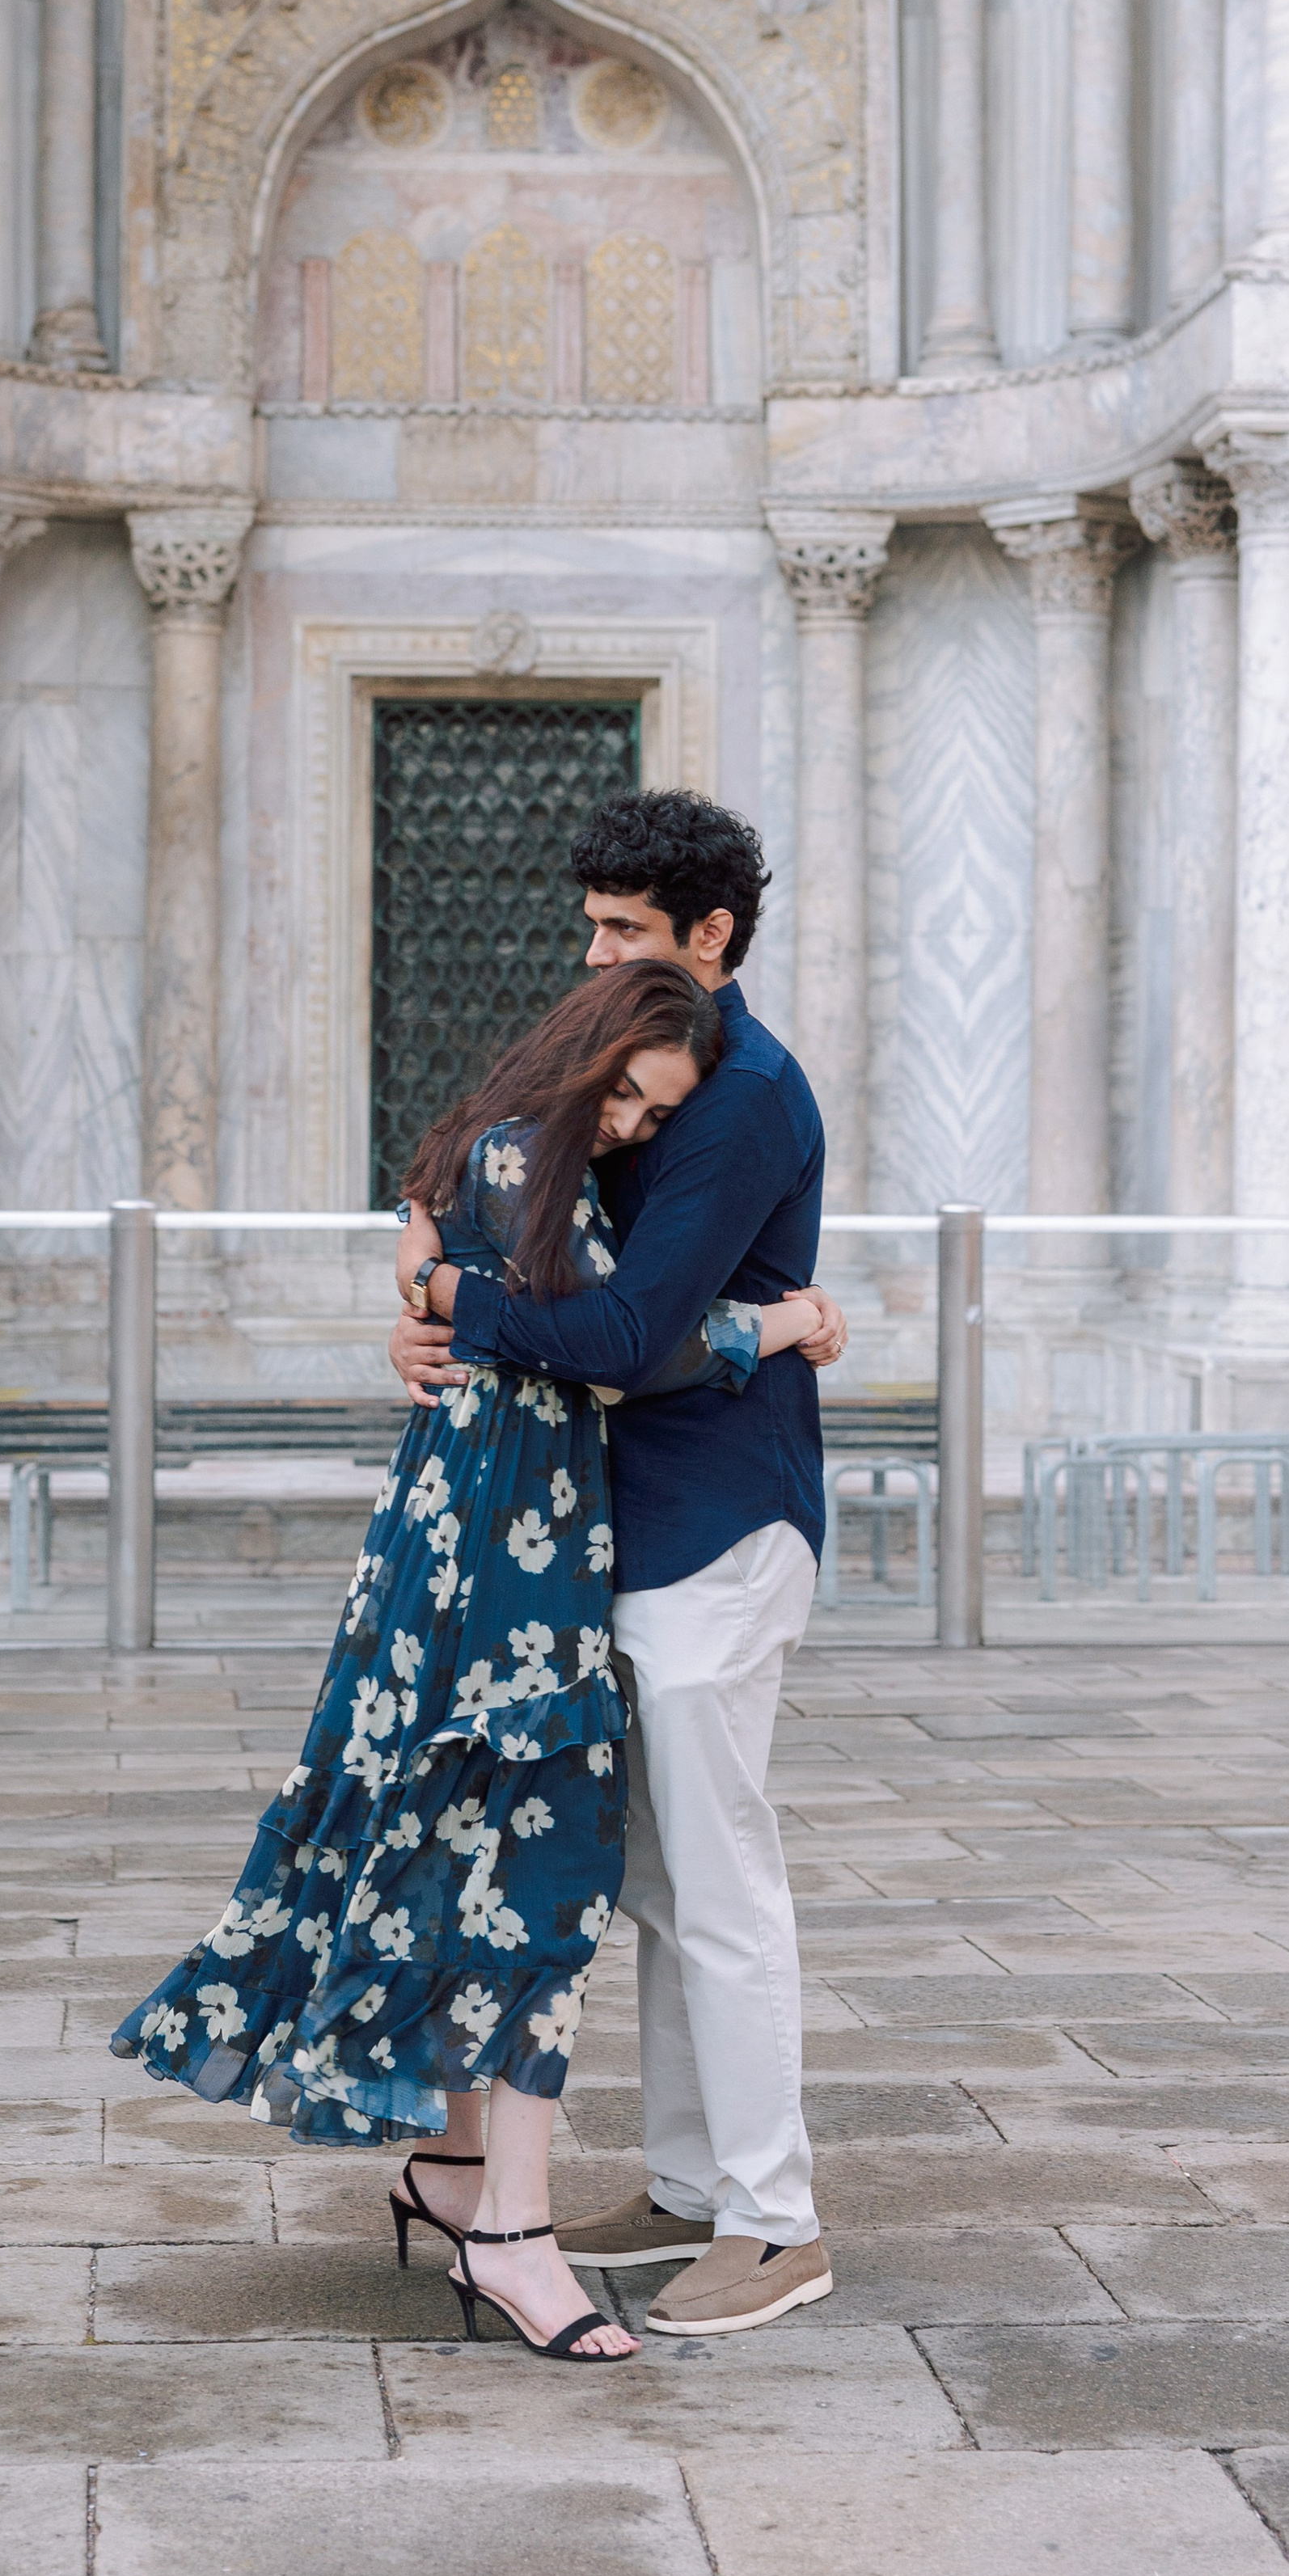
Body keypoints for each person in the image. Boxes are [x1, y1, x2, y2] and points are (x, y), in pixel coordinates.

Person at [115, 959, 827, 2363]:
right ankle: (509, 2222)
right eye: (626, 1095)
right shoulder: (526, 1159)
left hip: (483, 1522)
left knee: (479, 1827)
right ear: (589, 1049)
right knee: (536, 1850)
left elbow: (496, 1280)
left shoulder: (496, 1147)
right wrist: (782, 1322)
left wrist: (432, 1273)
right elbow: (619, 1347)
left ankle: (466, 2175)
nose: (632, 1125)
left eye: (654, 1111)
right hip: (511, 1537)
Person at [394, 791, 845, 2338]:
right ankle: (688, 2185)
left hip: (716, 1523)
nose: (590, 952)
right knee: (654, 1880)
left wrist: (452, 1300)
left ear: (711, 935)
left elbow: (631, 1336)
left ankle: (776, 2223)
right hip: (624, 1525)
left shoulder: (746, 1095)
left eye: (624, 927)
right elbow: (510, 1235)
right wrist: (426, 1312)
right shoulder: (639, 1057)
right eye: (589, 923)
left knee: (720, 1881)